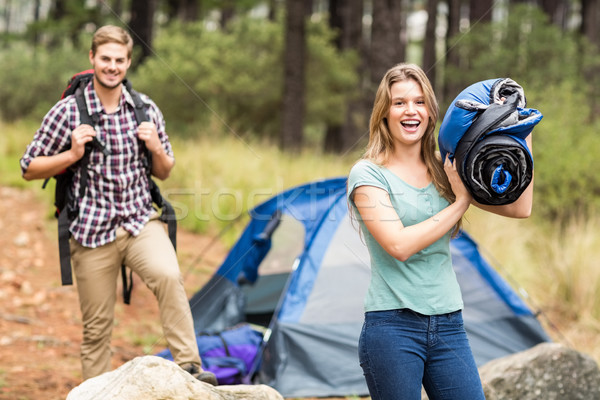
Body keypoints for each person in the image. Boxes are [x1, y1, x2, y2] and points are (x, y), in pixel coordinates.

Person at [20, 25, 217, 385]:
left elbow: (165, 170)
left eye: (119, 60)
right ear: (92, 59)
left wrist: (156, 146)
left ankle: (191, 368)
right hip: (91, 231)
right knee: (96, 329)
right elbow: (28, 168)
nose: (112, 66)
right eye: (105, 58)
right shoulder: (68, 112)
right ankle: (95, 392)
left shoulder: (145, 109)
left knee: (170, 276)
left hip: (140, 221)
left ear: (128, 63)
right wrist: (72, 153)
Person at [347, 63, 533, 400]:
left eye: (419, 102)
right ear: (384, 113)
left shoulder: (446, 167)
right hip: (392, 327)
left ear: (431, 112)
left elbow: (520, 209)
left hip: (449, 325)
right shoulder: (368, 174)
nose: (410, 111)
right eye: (399, 102)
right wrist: (460, 203)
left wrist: (520, 127)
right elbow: (399, 245)